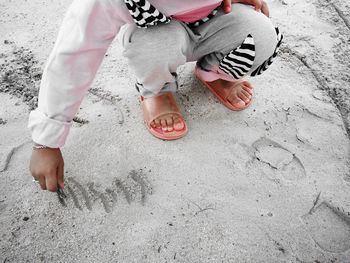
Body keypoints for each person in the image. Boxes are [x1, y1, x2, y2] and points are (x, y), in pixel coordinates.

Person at [28, 0, 283, 192]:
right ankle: (157, 89)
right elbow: (76, 51)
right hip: (156, 32)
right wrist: (46, 140)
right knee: (154, 44)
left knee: (260, 34)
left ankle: (213, 72)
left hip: (214, 18)